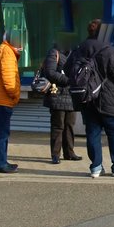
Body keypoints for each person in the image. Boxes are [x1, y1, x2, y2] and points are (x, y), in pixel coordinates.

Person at [69, 19, 114, 178]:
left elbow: (68, 70)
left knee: (93, 133)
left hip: (87, 100)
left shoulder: (79, 49)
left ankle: (96, 167)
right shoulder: (109, 51)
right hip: (111, 100)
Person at [0, 28, 24, 174]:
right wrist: (15, 95)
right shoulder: (7, 53)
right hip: (3, 100)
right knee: (2, 134)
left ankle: (2, 161)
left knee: (0, 133)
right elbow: (9, 79)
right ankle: (0, 164)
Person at [41, 34, 81, 165]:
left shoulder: (75, 53)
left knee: (70, 125)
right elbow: (50, 72)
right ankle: (55, 154)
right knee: (58, 126)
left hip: (71, 95)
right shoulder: (54, 52)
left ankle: (69, 152)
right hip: (57, 95)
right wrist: (68, 80)